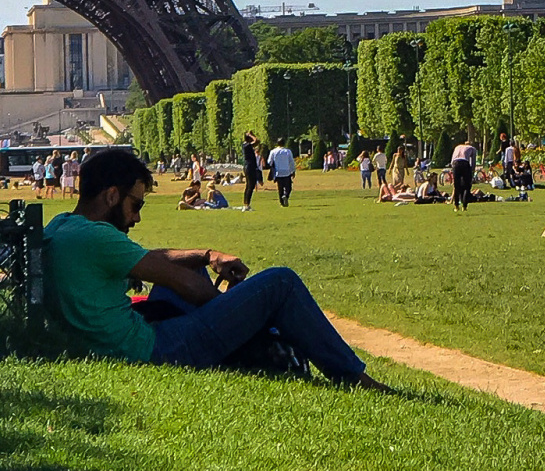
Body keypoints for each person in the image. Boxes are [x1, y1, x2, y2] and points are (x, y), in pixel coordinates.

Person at [42, 147, 388, 388]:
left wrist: (207, 255)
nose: (137, 217)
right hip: (154, 350)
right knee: (279, 283)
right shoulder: (99, 238)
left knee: (192, 269)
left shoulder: (63, 227)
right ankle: (351, 377)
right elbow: (185, 286)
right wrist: (237, 309)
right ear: (113, 196)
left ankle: (259, 342)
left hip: (115, 343)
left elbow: (156, 260)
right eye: (136, 204)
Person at [450, 139, 478, 211]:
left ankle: (456, 205)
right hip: (465, 163)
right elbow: (473, 161)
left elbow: (452, 158)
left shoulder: (457, 147)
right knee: (467, 186)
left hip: (455, 163)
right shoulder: (472, 148)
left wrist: (452, 168)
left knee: (456, 185)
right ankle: (464, 205)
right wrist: (472, 171)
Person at [266, 139, 296, 207]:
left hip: (278, 172)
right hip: (286, 172)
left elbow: (269, 162)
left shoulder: (273, 151)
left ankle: (282, 203)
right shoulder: (288, 151)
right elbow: (291, 162)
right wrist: (293, 171)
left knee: (280, 188)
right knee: (288, 187)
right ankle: (286, 195)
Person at [240, 132, 262, 211]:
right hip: (249, 167)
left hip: (249, 167)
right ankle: (246, 205)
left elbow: (257, 141)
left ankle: (246, 204)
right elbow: (256, 141)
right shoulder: (246, 145)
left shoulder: (246, 145)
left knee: (249, 186)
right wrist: (251, 135)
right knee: (250, 185)